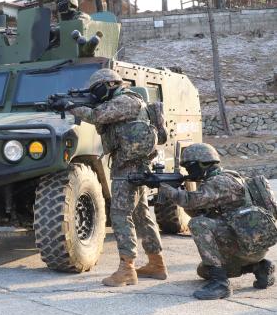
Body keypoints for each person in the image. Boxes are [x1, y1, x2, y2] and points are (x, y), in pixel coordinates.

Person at [54, 68, 167, 286]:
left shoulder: (127, 100)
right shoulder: (124, 101)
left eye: (98, 89)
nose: (96, 94)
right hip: (132, 166)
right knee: (142, 215)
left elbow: (98, 115)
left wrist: (71, 107)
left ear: (112, 84)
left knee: (120, 215)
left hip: (128, 169)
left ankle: (127, 268)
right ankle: (156, 264)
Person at [158, 143, 275, 300]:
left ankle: (220, 285)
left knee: (198, 224)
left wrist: (166, 188)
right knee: (204, 271)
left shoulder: (219, 182)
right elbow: (197, 208)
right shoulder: (233, 177)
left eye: (189, 167)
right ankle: (260, 266)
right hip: (253, 247)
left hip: (242, 244)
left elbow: (190, 202)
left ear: (202, 163)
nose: (188, 171)